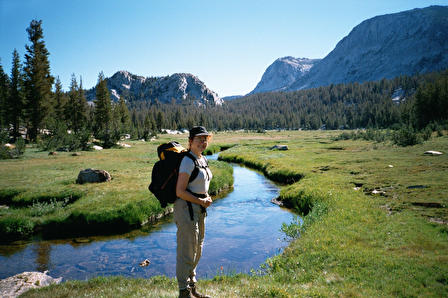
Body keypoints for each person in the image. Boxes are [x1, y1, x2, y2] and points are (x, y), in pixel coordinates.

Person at [175, 126, 213, 298]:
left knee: (198, 249)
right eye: (199, 139)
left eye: (205, 139)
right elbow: (180, 192)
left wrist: (207, 197)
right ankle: (184, 291)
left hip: (199, 209)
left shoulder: (202, 159)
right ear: (190, 141)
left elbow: (201, 184)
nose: (203, 142)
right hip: (186, 209)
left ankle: (193, 287)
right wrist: (201, 201)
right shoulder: (187, 161)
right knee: (187, 250)